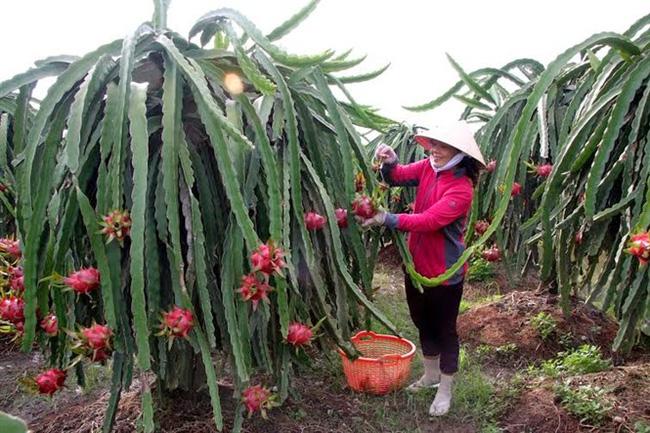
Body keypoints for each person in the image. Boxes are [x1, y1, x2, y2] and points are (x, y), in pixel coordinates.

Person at [361, 121, 485, 417]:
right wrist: (390, 163)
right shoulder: (429, 167)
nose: (434, 151)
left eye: (442, 146)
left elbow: (429, 221)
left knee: (445, 330)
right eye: (433, 144)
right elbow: (399, 176)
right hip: (415, 265)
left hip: (445, 272)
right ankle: (430, 376)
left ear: (460, 152)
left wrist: (387, 218)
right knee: (421, 321)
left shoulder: (461, 189)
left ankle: (445, 389)